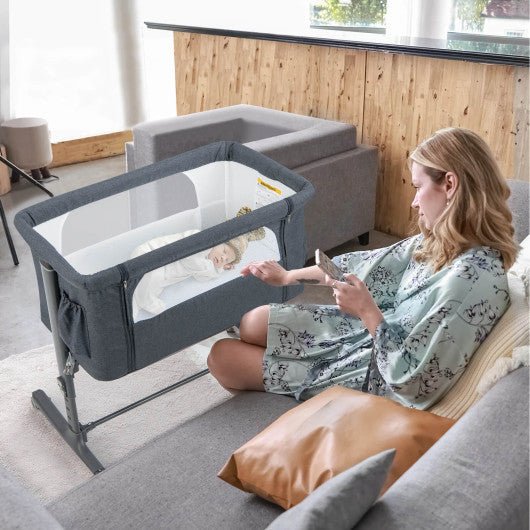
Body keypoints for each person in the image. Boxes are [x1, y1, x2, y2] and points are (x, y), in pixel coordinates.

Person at [207, 127, 517, 409]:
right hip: (365, 333)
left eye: (418, 186)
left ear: (449, 184)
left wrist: (367, 311)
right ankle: (270, 382)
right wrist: (288, 276)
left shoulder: (470, 283)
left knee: (221, 357)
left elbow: (412, 381)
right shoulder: (443, 241)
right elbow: (364, 266)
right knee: (252, 322)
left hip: (373, 373)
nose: (413, 203)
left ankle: (282, 395)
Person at [131, 217, 265, 318]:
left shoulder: (209, 264)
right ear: (218, 240)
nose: (223, 258)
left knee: (146, 287)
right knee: (152, 277)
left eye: (227, 260)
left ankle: (134, 302)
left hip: (162, 275)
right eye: (224, 251)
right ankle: (145, 301)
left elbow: (201, 277)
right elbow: (190, 260)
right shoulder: (201, 239)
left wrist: (219, 269)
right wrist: (213, 267)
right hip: (149, 255)